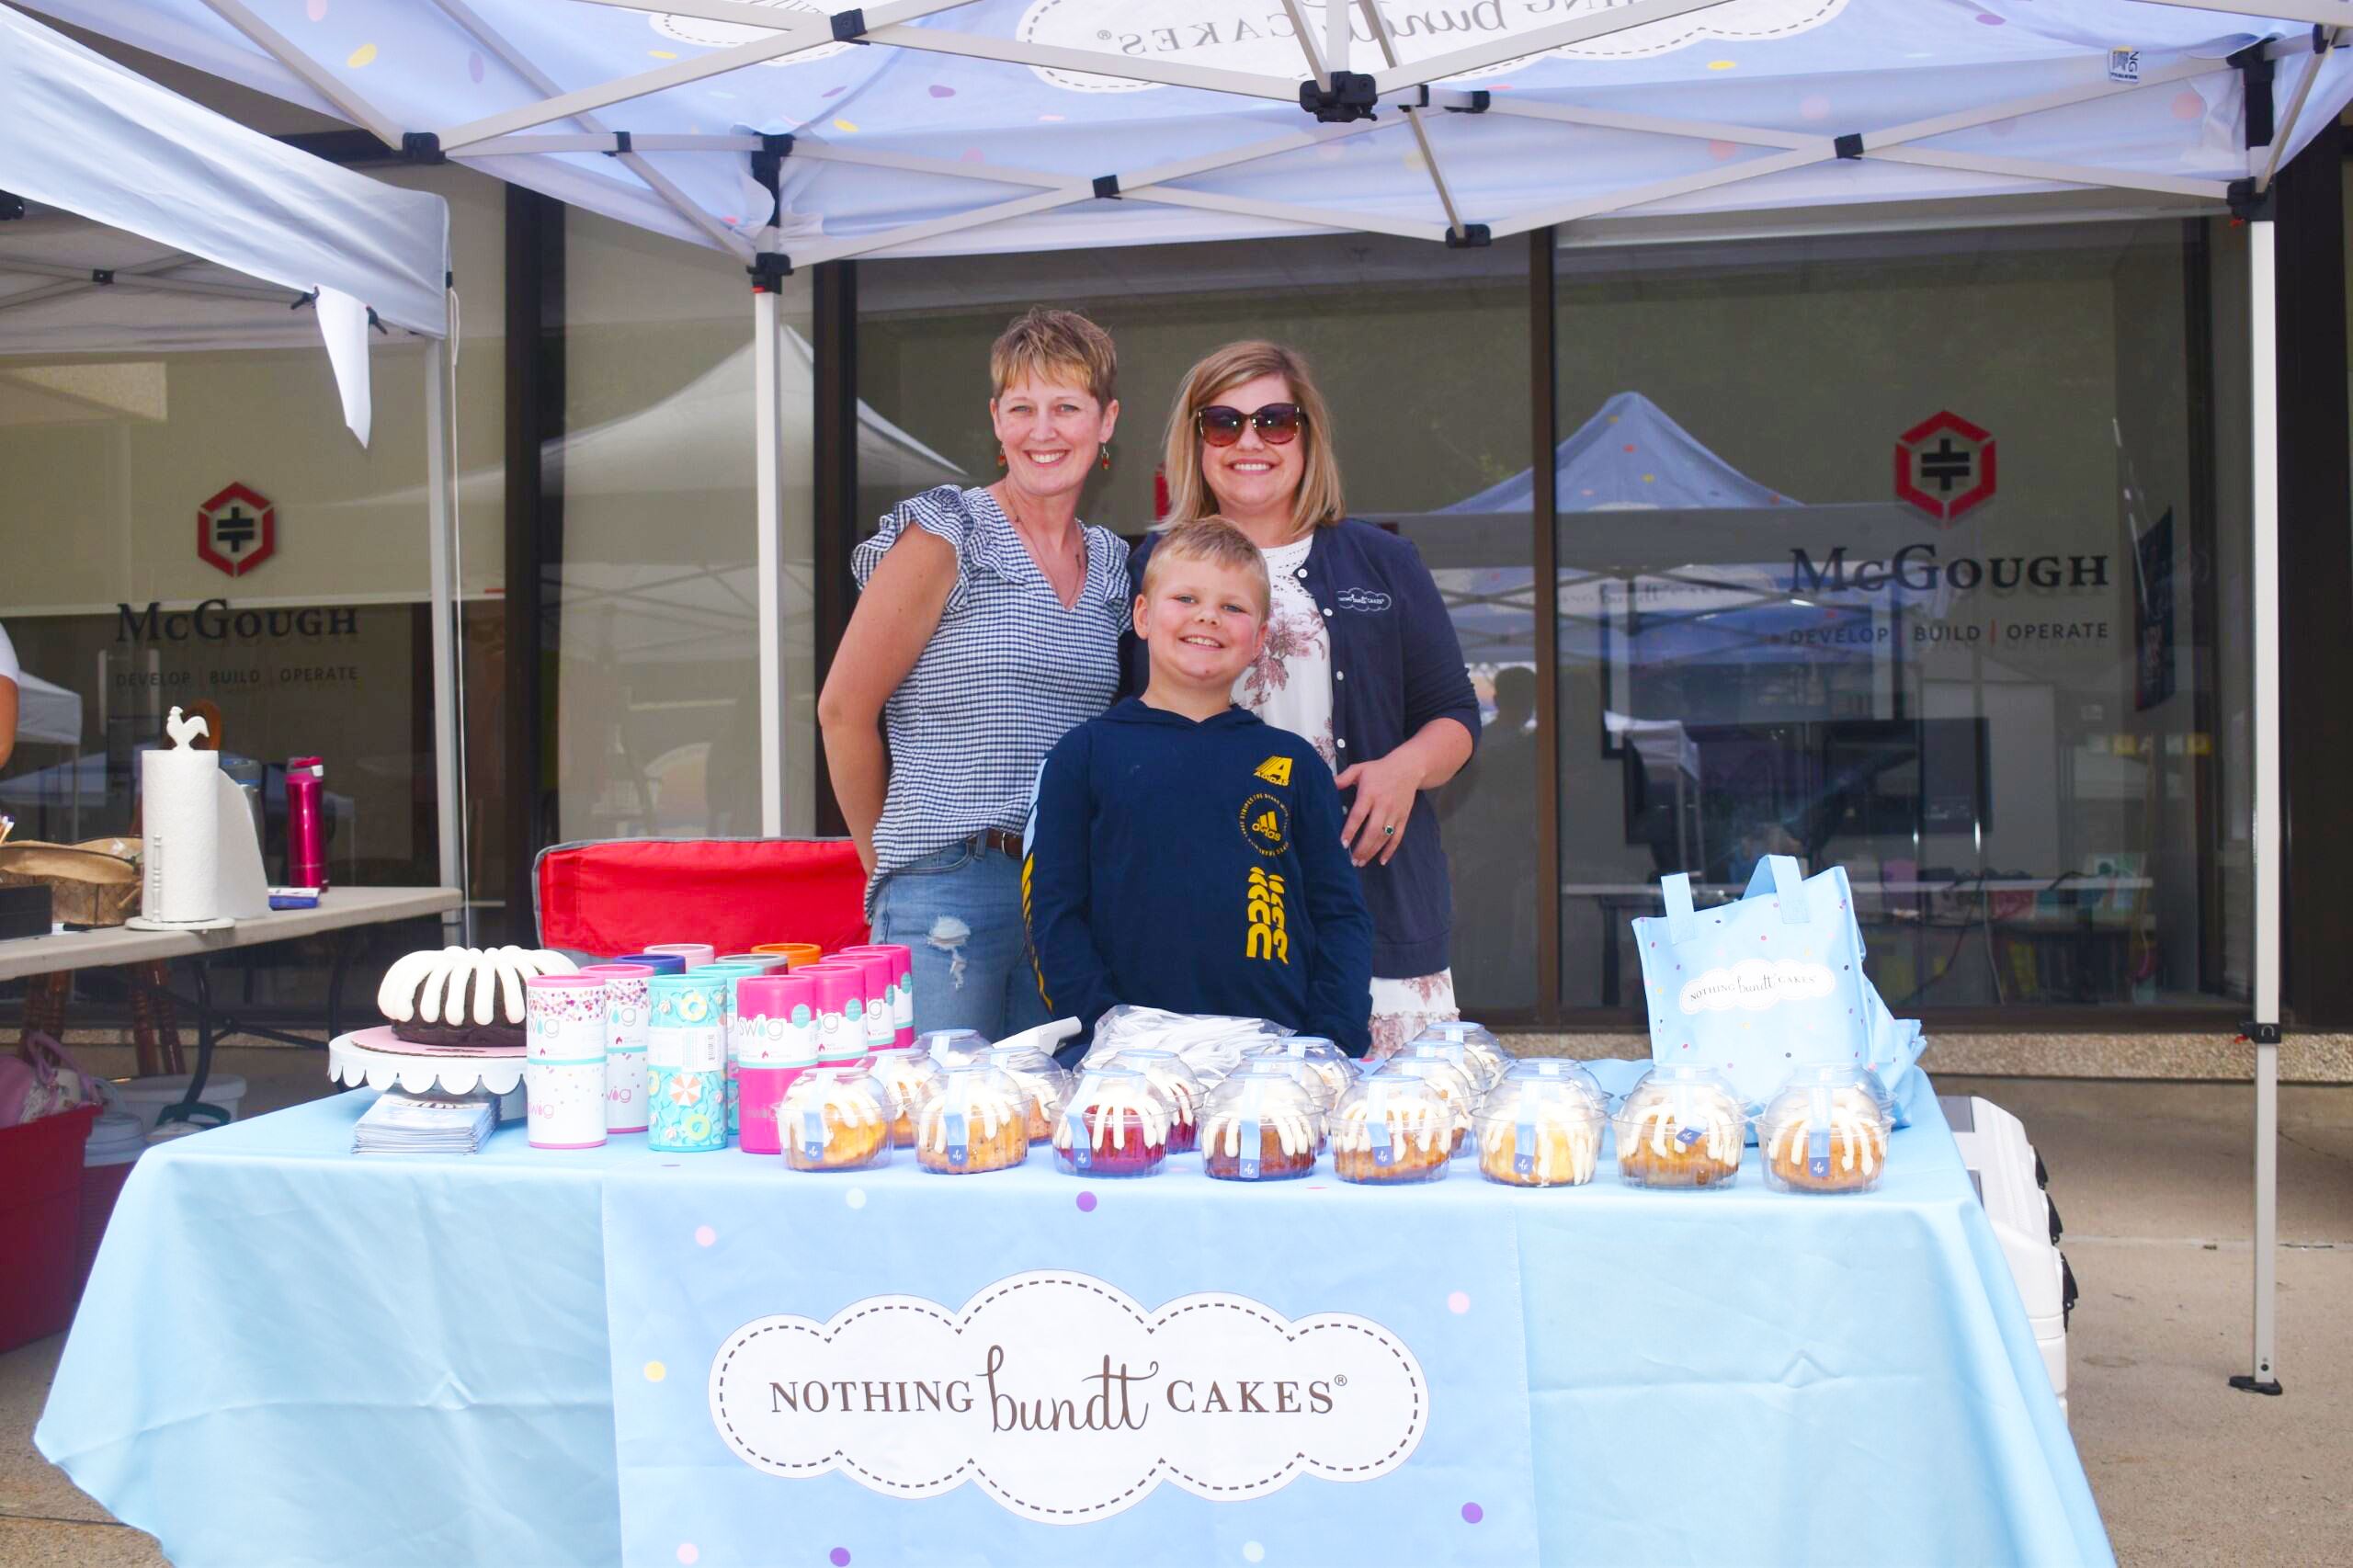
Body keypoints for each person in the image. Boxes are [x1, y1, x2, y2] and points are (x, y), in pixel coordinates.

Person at [1129, 341, 1479, 1059]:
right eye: (1222, 423)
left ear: (1307, 436)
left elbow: (1455, 714)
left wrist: (1405, 768)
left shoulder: (1385, 562)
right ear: (1194, 443)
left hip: (1374, 915)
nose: (1249, 442)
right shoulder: (1148, 569)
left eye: (1275, 421)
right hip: (1204, 925)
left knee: (1387, 1144)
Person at [818, 307, 1129, 1040]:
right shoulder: (948, 532)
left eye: (1066, 408)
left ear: (1106, 421)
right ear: (996, 420)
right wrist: (893, 868)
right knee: (938, 1119)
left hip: (1062, 892)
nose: (1042, 430)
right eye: (1022, 408)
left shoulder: (1114, 563)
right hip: (945, 885)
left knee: (1046, 1121)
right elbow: (842, 711)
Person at [1027, 518, 1374, 1061]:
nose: (1207, 616)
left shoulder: (1294, 764)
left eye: (1233, 607)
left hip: (1274, 1065)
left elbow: (1340, 916)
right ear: (1142, 616)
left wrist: (1330, 1040)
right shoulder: (1082, 757)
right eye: (1185, 597)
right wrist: (1101, 1032)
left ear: (1260, 638)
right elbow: (1052, 914)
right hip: (1124, 1066)